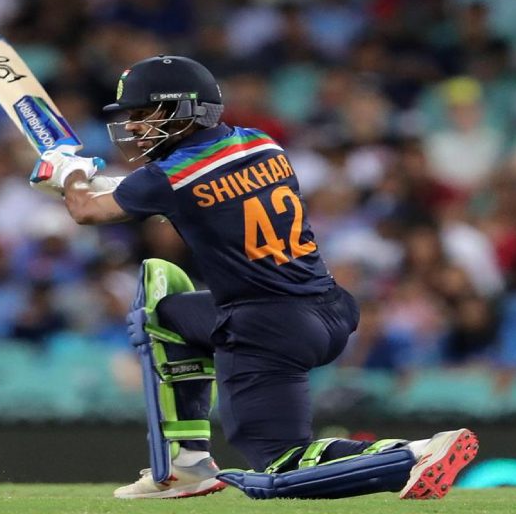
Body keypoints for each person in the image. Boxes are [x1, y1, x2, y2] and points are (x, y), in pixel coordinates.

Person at [27, 55, 479, 500]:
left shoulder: (169, 178)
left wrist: (71, 175)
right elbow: (175, 190)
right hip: (326, 307)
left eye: (146, 113)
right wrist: (83, 179)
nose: (136, 126)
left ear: (184, 110)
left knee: (281, 462)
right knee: (162, 314)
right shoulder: (261, 143)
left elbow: (88, 210)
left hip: (267, 325)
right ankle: (186, 464)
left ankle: (415, 452)